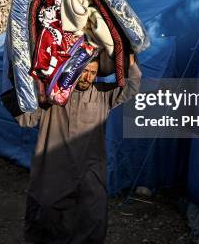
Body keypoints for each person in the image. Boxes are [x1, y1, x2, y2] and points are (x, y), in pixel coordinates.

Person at [9, 54, 141, 243]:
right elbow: (26, 118)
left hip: (89, 168)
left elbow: (132, 86)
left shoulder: (103, 94)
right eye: (84, 71)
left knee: (91, 216)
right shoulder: (51, 95)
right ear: (73, 71)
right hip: (52, 168)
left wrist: (129, 60)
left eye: (93, 73)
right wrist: (21, 86)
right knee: (47, 216)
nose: (88, 77)